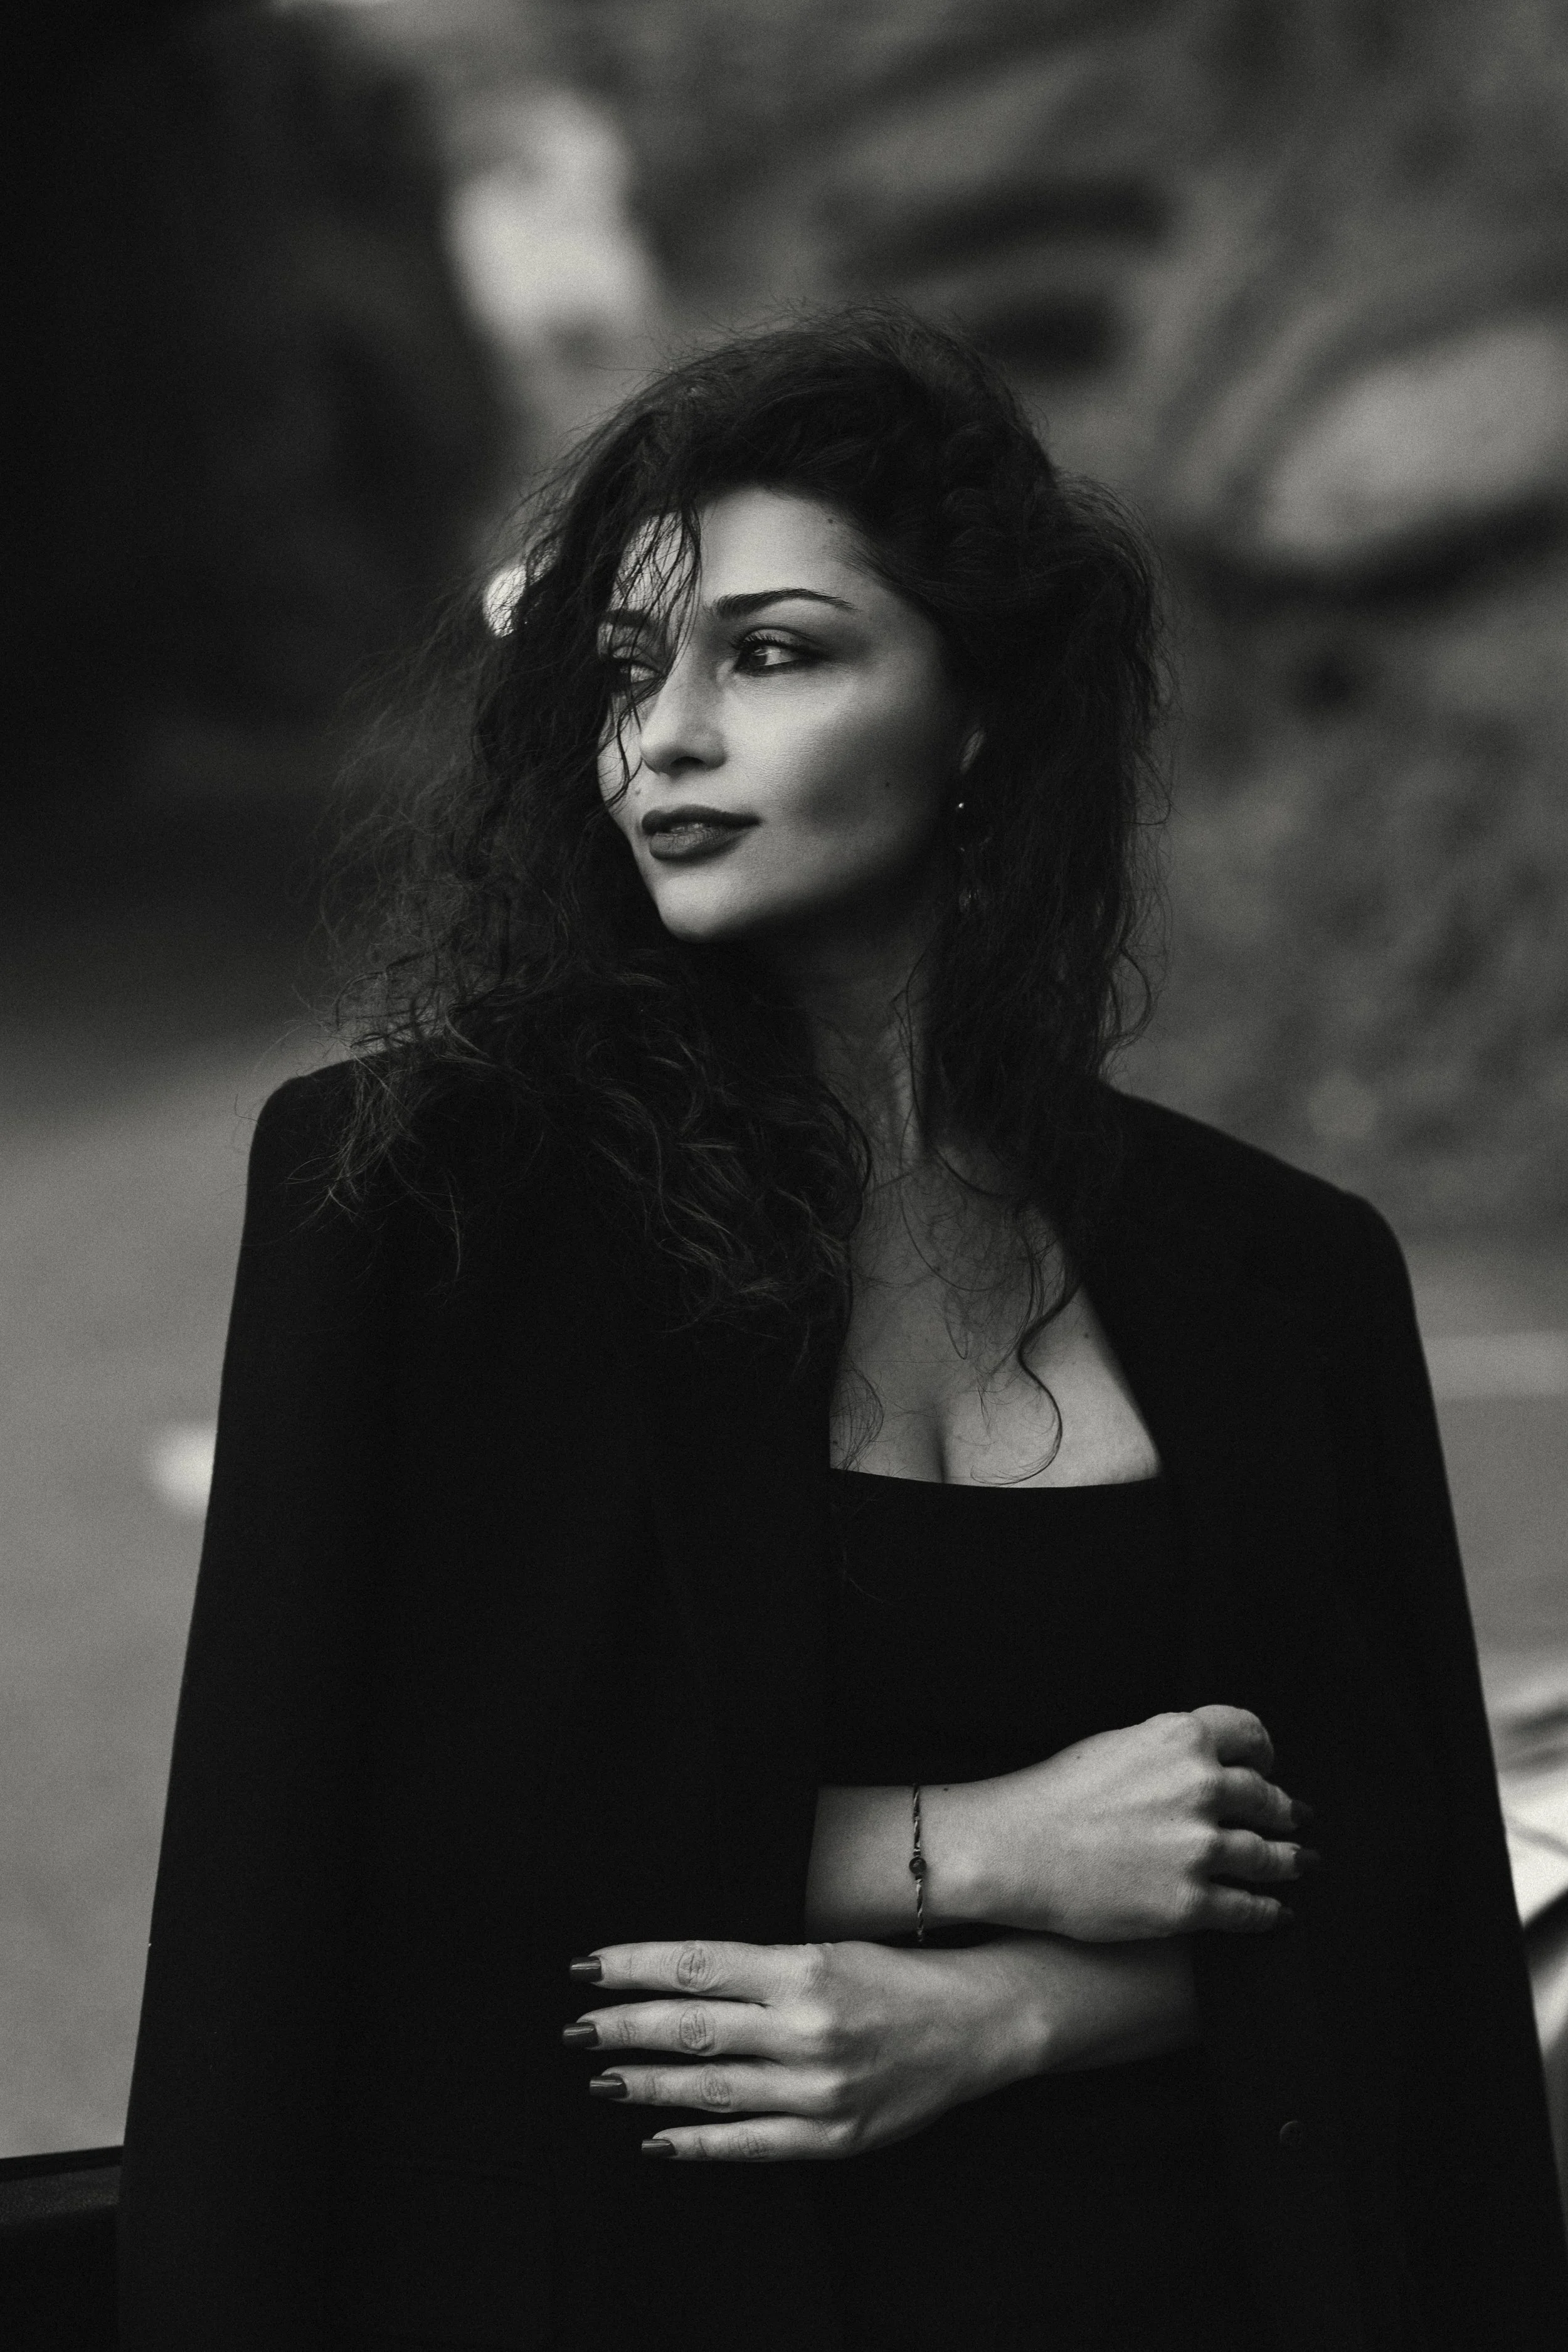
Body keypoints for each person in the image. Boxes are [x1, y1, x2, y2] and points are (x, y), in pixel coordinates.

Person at [118, 311, 1568, 2351]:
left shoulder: (1279, 1270)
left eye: (774, 653)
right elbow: (335, 1870)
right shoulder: (419, 1194)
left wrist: (1011, 2009)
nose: (669, 739)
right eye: (628, 672)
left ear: (978, 714)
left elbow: (1397, 1909)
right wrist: (968, 1844)